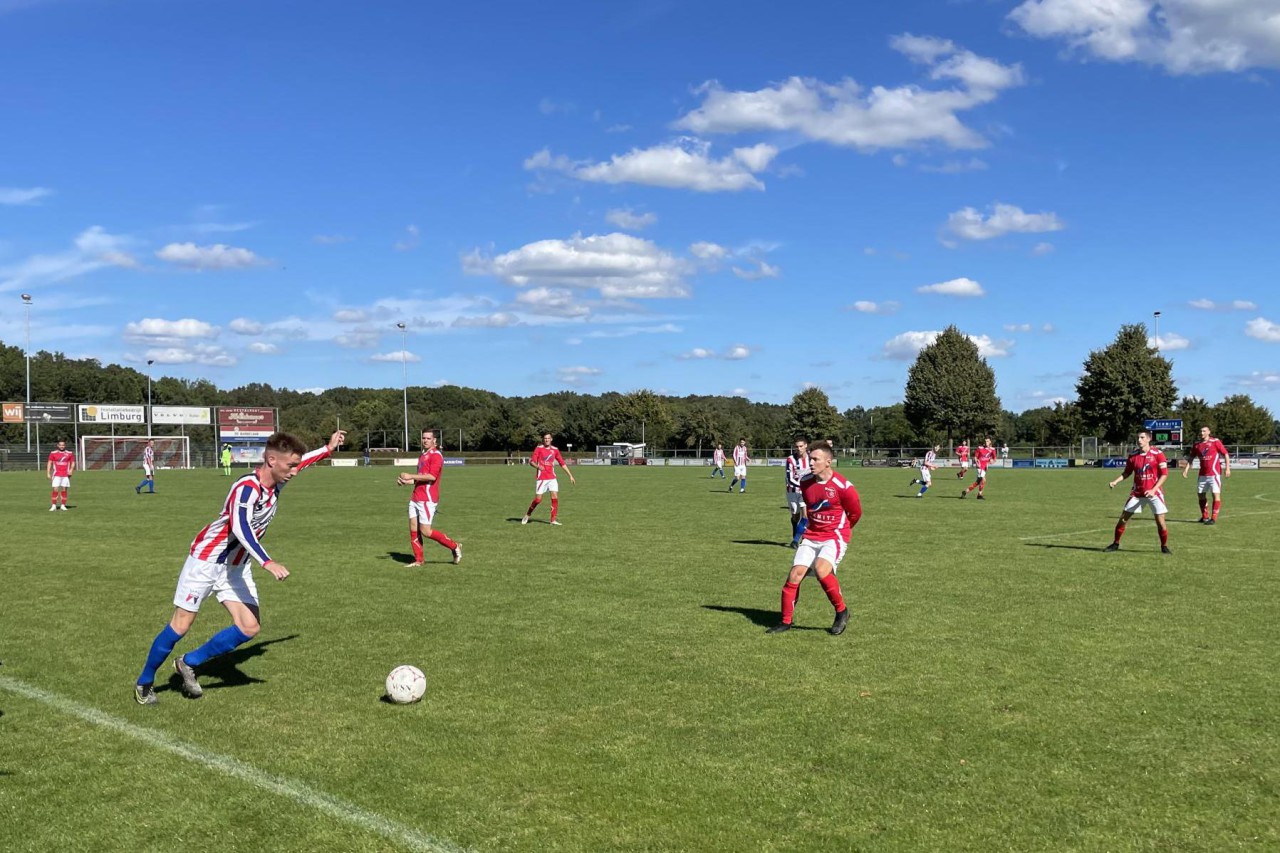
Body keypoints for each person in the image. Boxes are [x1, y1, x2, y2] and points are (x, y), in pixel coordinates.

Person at [132, 429, 345, 705]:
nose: (294, 471)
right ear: (271, 460)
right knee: (181, 625)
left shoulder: (277, 482)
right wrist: (267, 561)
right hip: (206, 562)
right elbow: (241, 527)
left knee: (249, 627)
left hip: (235, 567)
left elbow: (302, 462)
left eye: (296, 465)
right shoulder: (246, 488)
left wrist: (327, 448)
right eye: (290, 465)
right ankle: (145, 682)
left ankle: (188, 662)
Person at [766, 441, 861, 636]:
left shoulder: (843, 486)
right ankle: (785, 621)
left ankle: (842, 611)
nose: (810, 462)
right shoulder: (805, 481)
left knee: (821, 569)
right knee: (795, 575)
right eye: (810, 459)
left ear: (828, 461)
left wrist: (841, 531)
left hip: (834, 536)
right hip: (812, 535)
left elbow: (855, 513)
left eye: (815, 459)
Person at [397, 429, 461, 565]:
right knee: (413, 530)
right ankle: (419, 560)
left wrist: (411, 475)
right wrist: (406, 482)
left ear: (434, 440)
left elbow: (432, 477)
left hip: (427, 498)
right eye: (423, 438)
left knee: (425, 531)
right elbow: (420, 479)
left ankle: (454, 546)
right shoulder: (423, 455)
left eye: (428, 438)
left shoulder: (436, 455)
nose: (425, 440)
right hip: (415, 496)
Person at [1106, 429, 1171, 554]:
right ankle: (1115, 543)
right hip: (1137, 493)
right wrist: (1116, 481)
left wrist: (1153, 490)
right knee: (1123, 519)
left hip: (1154, 493)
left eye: (1142, 437)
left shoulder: (1158, 454)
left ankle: (1164, 546)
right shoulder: (1133, 455)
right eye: (1138, 438)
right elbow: (1127, 473)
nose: (1139, 440)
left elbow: (1164, 475)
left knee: (1161, 522)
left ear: (1148, 439)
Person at [522, 432, 576, 525]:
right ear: (543, 440)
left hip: (552, 478)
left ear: (551, 439)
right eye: (545, 438)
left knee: (555, 497)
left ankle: (553, 520)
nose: (547, 440)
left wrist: (570, 475)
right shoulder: (539, 448)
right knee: (538, 500)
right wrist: (538, 467)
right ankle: (528, 514)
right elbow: (531, 462)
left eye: (548, 438)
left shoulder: (555, 450)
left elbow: (562, 463)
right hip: (541, 478)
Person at [1181, 425, 1230, 524]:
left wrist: (1227, 468)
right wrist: (1186, 469)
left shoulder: (1215, 442)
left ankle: (1214, 518)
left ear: (1208, 432)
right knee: (1200, 495)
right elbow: (1191, 457)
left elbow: (1225, 454)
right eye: (1201, 431)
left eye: (1204, 431)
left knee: (1215, 495)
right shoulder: (1197, 445)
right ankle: (1205, 517)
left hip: (1214, 474)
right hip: (1202, 475)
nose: (1201, 433)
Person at [785, 438, 810, 546]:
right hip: (792, 490)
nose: (799, 448)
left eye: (801, 446)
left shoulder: (811, 458)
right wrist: (801, 485)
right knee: (795, 515)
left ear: (806, 446)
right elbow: (789, 478)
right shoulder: (790, 459)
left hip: (806, 492)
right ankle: (796, 530)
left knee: (805, 516)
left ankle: (796, 540)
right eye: (797, 446)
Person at [46, 439, 75, 511]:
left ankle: (63, 505)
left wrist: (71, 470)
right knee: (55, 489)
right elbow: (49, 463)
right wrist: (48, 473)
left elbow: (73, 463)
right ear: (58, 445)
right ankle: (53, 506)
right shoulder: (53, 453)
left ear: (65, 445)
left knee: (64, 490)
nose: (62, 446)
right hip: (56, 474)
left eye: (63, 445)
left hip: (65, 475)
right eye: (60, 445)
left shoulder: (69, 453)